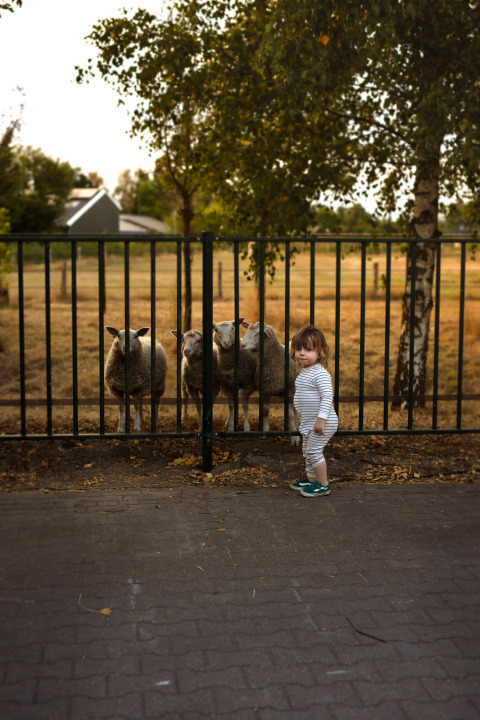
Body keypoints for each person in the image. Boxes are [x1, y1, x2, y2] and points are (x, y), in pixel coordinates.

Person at [290, 324, 338, 497]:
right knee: (306, 450)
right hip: (310, 421)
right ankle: (312, 479)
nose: (302, 353)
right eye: (298, 349)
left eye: (308, 349)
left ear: (320, 353)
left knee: (313, 451)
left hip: (323, 421)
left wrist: (321, 420)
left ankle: (323, 484)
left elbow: (327, 398)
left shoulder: (321, 374)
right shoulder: (304, 372)